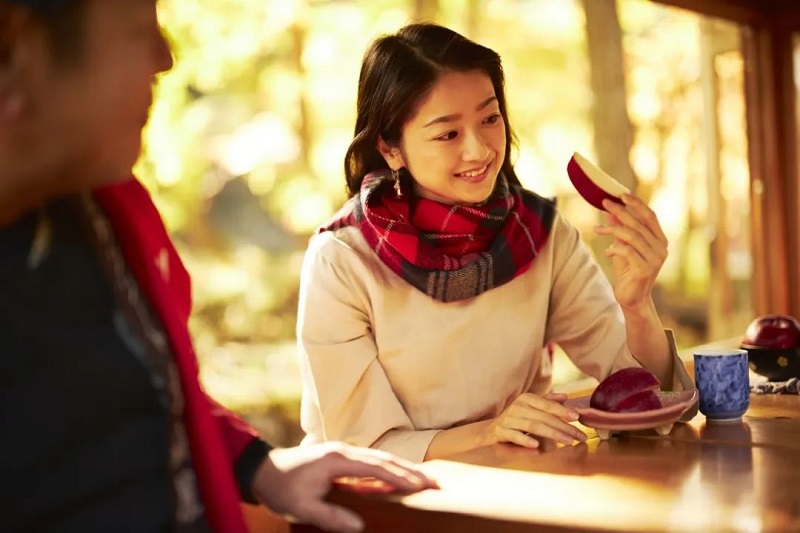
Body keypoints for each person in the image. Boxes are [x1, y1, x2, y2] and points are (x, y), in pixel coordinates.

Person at [0, 1, 438, 532]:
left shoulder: (106, 208)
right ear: (19, 52)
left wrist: (258, 466)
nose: (166, 58)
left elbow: (150, 396)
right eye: (141, 30)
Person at [296, 23, 696, 463]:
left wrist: (637, 303)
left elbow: (651, 400)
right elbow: (362, 448)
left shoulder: (541, 233)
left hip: (514, 490)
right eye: (448, 134)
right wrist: (491, 432)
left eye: (490, 118)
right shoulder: (342, 258)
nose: (480, 150)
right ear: (391, 148)